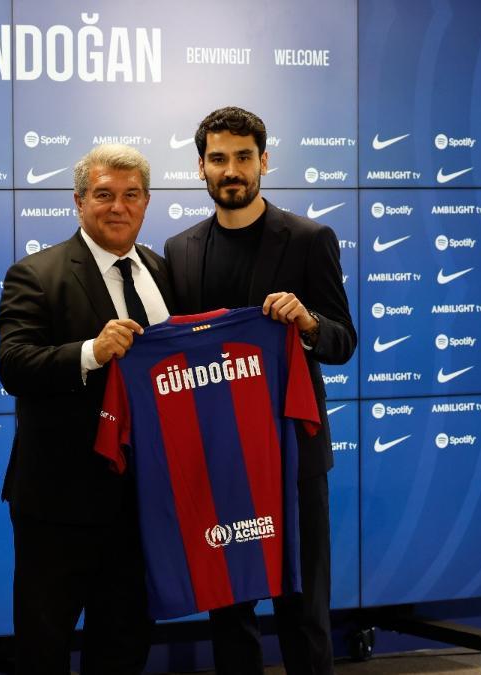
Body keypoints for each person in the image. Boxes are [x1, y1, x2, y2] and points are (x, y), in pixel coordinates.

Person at [163, 106, 357, 675]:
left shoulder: (308, 238)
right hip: (218, 455)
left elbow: (343, 342)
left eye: (243, 157)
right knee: (230, 609)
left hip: (292, 454)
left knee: (302, 608)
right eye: (218, 158)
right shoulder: (179, 250)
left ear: (264, 161)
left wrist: (310, 324)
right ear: (200, 167)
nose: (232, 170)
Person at [0, 144, 172, 674]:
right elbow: (14, 365)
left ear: (146, 203)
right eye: (103, 195)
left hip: (142, 499)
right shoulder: (36, 273)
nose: (117, 207)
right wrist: (92, 352)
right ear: (78, 201)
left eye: (130, 195)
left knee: (123, 640)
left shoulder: (164, 272)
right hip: (60, 501)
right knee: (44, 643)